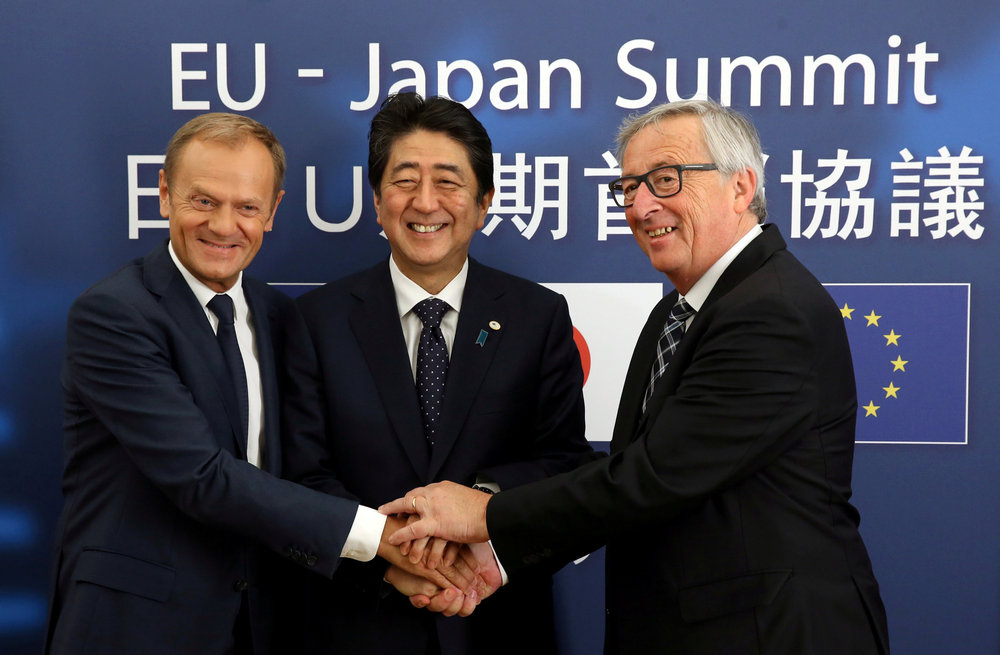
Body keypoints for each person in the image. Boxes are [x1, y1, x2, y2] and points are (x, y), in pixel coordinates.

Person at [383, 99, 891, 654]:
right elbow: (638, 481)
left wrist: (486, 515)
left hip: (772, 634)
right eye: (629, 187)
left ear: (741, 187)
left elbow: (652, 478)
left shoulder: (770, 311)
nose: (643, 205)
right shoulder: (680, 310)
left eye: (666, 180)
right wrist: (502, 559)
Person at [45, 112, 481, 655]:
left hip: (263, 624)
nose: (225, 226)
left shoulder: (280, 316)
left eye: (247, 207)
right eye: (203, 200)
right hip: (136, 627)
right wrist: (386, 540)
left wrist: (390, 569)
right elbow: (202, 475)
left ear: (272, 211)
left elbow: (296, 475)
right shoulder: (113, 315)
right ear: (163, 193)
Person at [280, 92, 593, 655]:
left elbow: (564, 462)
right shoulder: (314, 322)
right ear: (377, 202)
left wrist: (476, 508)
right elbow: (302, 476)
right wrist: (388, 551)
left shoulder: (537, 317)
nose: (426, 202)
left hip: (499, 621)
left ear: (483, 202)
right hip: (355, 622)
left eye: (448, 181)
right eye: (405, 181)